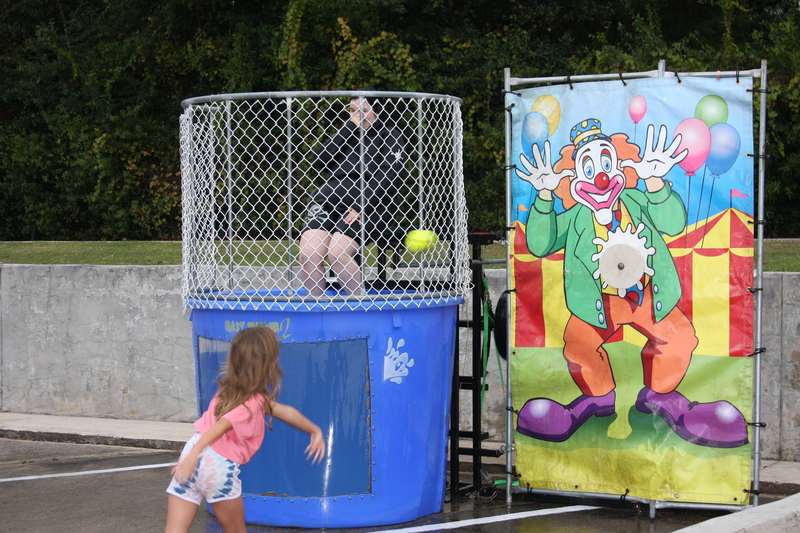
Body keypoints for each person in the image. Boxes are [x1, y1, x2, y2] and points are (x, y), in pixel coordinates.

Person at [165, 327, 326, 533]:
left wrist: (313, 430)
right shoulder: (252, 403)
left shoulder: (228, 391)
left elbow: (284, 412)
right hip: (213, 463)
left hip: (193, 448)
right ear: (269, 362)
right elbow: (221, 426)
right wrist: (192, 458)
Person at [299, 93, 405, 296]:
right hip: (327, 201)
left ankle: (359, 305)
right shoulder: (347, 134)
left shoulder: (389, 134)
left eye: (363, 111)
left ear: (377, 112)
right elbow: (318, 160)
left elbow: (390, 175)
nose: (357, 116)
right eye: (352, 111)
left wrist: (360, 205)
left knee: (337, 254)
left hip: (368, 204)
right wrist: (348, 128)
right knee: (309, 255)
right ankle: (317, 309)